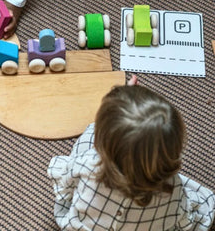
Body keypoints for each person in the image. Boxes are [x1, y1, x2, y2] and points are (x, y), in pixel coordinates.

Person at [48, 84, 215, 230]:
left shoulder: (87, 165)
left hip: (84, 226)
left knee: (88, 134)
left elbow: (65, 185)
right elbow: (182, 218)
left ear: (102, 145)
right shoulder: (172, 187)